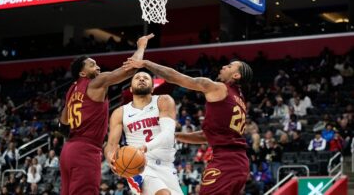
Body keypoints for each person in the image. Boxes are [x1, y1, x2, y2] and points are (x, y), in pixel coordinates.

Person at [123, 58, 253, 194]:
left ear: (236, 75)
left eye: (230, 66)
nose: (224, 66)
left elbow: (175, 77)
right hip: (239, 164)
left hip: (226, 162)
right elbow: (205, 136)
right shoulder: (239, 100)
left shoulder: (219, 88)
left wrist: (145, 63)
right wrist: (174, 136)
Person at [59, 34, 154, 195]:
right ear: (83, 73)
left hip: (68, 151)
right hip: (85, 151)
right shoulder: (96, 82)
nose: (97, 68)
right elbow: (131, 68)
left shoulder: (71, 90)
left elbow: (63, 126)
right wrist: (141, 46)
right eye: (92, 65)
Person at [105, 71, 183, 195]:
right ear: (130, 88)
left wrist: (145, 147)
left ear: (152, 88)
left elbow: (168, 135)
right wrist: (110, 157)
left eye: (146, 78)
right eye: (137, 78)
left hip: (166, 166)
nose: (141, 79)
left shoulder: (163, 100)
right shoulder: (120, 112)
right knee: (163, 193)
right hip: (138, 165)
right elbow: (111, 144)